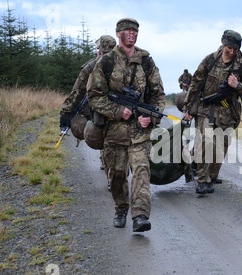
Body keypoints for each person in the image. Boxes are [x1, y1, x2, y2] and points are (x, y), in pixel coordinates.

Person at [87, 18, 166, 231]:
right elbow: (94, 94)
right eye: (128, 31)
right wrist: (118, 111)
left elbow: (159, 96)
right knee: (117, 174)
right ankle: (121, 208)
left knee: (141, 170)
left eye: (135, 31)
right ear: (118, 33)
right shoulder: (106, 62)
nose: (132, 34)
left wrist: (151, 117)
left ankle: (140, 216)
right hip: (114, 132)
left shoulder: (146, 62)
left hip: (140, 133)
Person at [183, 30, 242, 194]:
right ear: (223, 43)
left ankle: (211, 177)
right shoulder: (210, 60)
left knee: (220, 147)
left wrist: (237, 86)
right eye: (229, 48)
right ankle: (202, 180)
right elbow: (196, 84)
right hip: (205, 109)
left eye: (235, 49)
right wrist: (188, 109)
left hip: (227, 112)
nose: (231, 52)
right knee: (204, 142)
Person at [59, 35, 116, 189]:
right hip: (120, 112)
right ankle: (114, 178)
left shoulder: (92, 66)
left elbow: (77, 91)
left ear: (100, 49)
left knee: (106, 143)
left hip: (101, 113)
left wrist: (66, 113)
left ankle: (113, 179)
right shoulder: (124, 64)